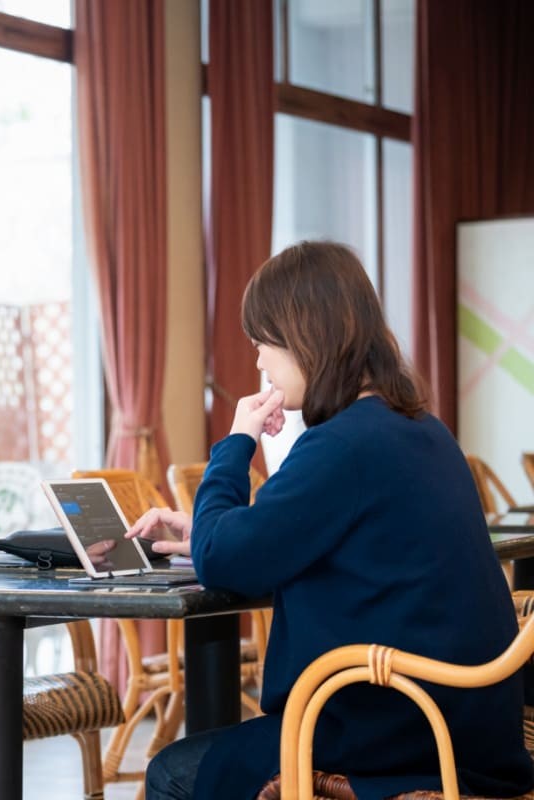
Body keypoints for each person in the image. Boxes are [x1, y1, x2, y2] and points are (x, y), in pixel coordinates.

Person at [131, 241, 534, 800]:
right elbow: (303, 543)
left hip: (398, 731)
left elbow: (227, 561)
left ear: (303, 338)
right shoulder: (419, 429)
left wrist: (237, 441)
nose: (258, 363)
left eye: (262, 344)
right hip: (466, 727)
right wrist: (206, 535)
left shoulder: (342, 445)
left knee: (170, 773)